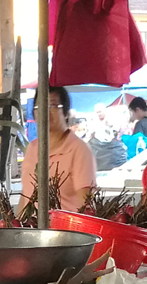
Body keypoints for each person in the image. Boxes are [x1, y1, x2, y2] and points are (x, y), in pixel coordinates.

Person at [18, 85, 97, 216]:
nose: (45, 112)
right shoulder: (32, 149)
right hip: (31, 231)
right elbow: (26, 196)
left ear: (65, 113)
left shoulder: (79, 150)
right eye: (39, 107)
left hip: (65, 232)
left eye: (53, 106)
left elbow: (87, 205)